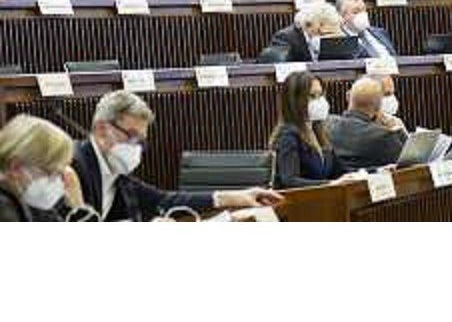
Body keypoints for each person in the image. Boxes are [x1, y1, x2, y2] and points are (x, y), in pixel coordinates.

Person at [72, 90, 283, 221]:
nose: (136, 148)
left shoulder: (115, 174)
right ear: (102, 130)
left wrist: (238, 197)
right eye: (132, 136)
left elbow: (163, 200)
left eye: (141, 141)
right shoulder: (72, 165)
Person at [0, 114, 99, 222]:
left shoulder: (26, 200)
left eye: (60, 173)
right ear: (15, 167)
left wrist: (78, 208)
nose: (60, 183)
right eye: (52, 172)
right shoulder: (5, 209)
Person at [269, 72, 345, 188]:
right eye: (312, 96)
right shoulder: (287, 136)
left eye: (321, 95)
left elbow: (339, 171)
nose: (319, 101)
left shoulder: (319, 132)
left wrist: (365, 174)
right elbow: (289, 181)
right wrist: (330, 184)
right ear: (295, 101)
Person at [324, 76, 407, 171]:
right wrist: (396, 129)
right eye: (387, 94)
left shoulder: (327, 125)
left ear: (348, 97)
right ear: (379, 106)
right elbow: (410, 162)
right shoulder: (384, 136)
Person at [269, 2, 343, 62]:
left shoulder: (331, 35)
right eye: (325, 33)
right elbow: (281, 68)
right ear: (311, 25)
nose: (328, 37)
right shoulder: (285, 38)